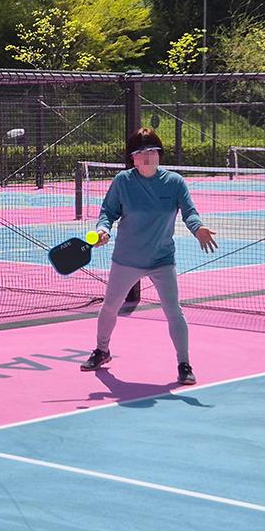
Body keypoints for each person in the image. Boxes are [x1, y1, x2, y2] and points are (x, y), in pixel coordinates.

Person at [81, 128, 218, 383]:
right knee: (110, 307)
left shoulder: (175, 182)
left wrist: (198, 228)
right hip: (126, 259)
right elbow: (108, 212)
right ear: (132, 158)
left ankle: (184, 364)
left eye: (153, 151)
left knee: (174, 311)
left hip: (161, 260)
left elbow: (189, 212)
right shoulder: (123, 181)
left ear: (159, 154)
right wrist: (103, 230)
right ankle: (102, 350)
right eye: (141, 152)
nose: (148, 156)